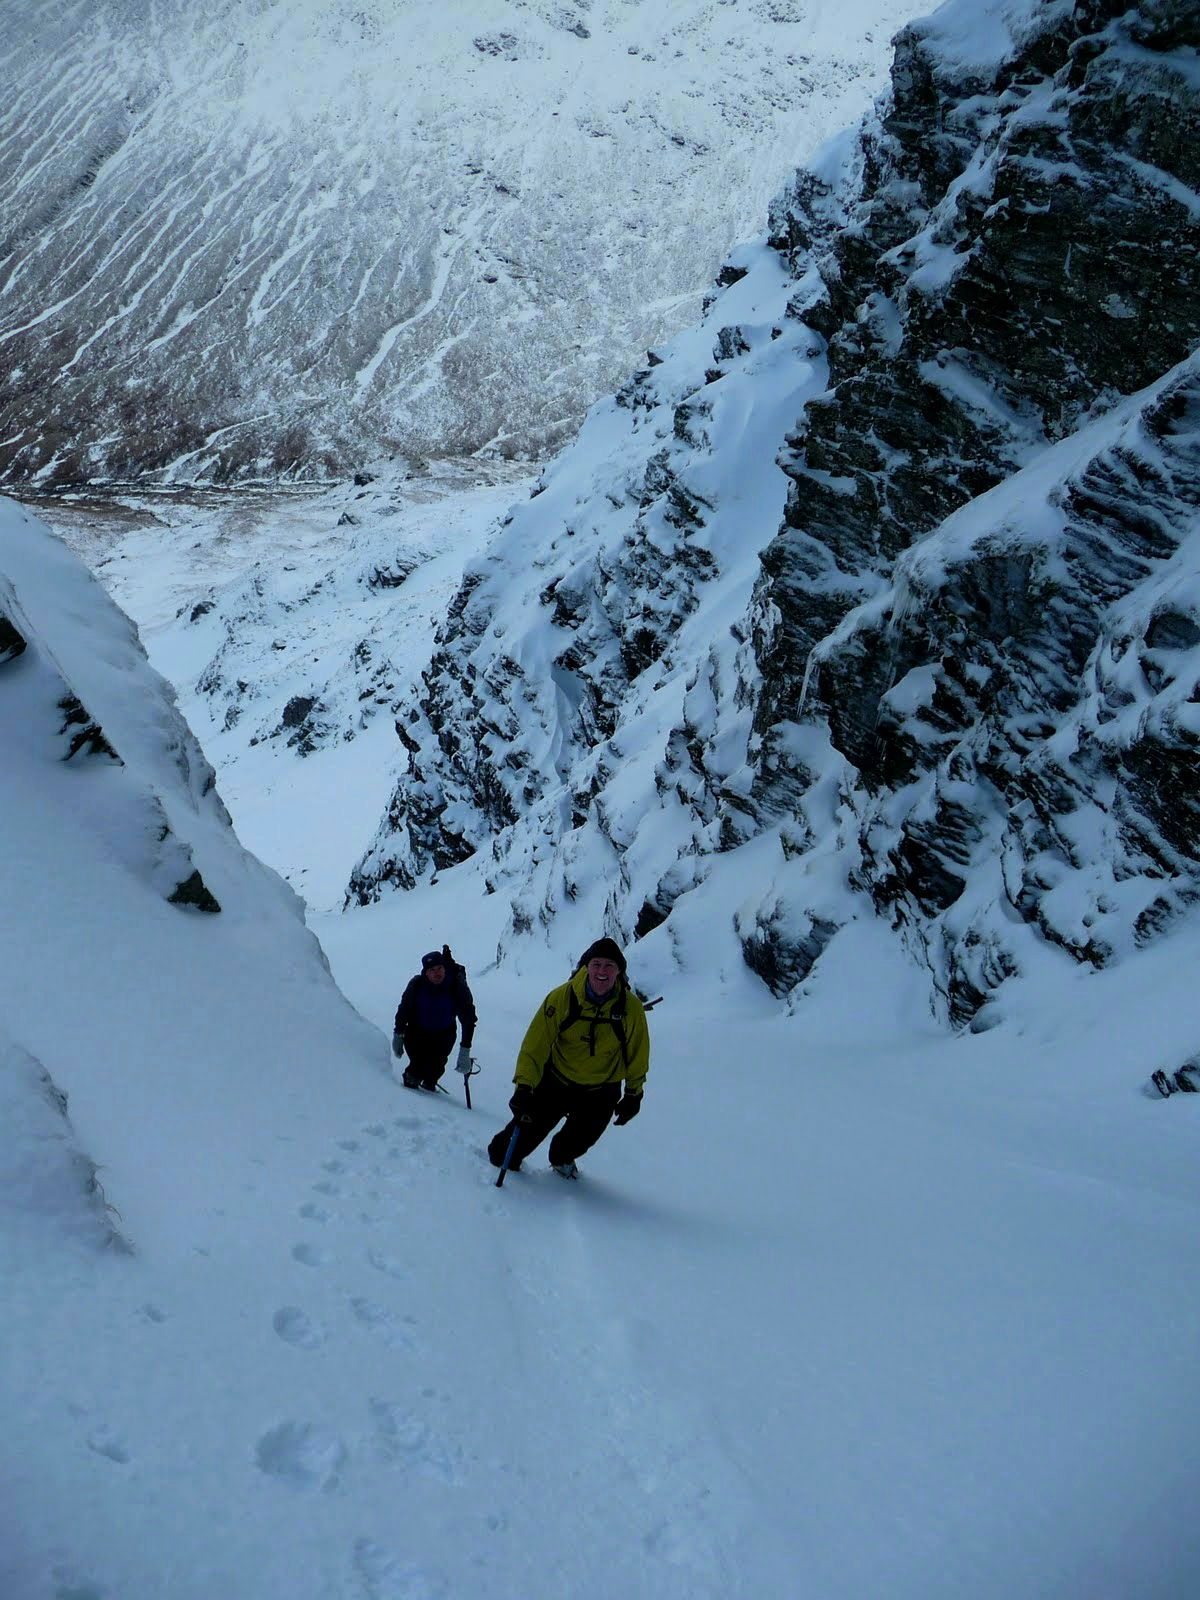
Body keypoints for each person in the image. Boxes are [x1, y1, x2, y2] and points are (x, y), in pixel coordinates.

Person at [487, 937, 649, 1179]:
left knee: (575, 1143)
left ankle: (562, 1159)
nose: (602, 971)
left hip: (601, 1090)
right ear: (586, 967)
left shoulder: (631, 1009)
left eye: (609, 965)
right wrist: (524, 1085)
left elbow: (638, 1052)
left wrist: (634, 1094)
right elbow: (535, 1045)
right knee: (503, 1155)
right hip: (556, 1080)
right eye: (596, 964)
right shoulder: (562, 998)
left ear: (619, 971)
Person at [393, 947, 477, 1091]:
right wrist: (399, 1033)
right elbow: (404, 1009)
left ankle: (430, 1084)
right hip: (417, 1031)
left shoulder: (456, 987)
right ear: (426, 972)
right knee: (417, 1065)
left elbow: (468, 1019)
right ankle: (411, 1083)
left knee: (436, 1067)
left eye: (439, 968)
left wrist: (465, 1049)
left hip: (444, 1034)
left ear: (445, 968)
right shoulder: (417, 985)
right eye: (432, 970)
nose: (437, 973)